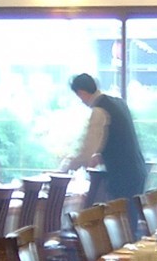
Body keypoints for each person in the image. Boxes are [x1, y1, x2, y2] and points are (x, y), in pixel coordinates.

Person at [62, 73, 147, 211]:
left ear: (81, 93)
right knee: (129, 219)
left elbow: (87, 151)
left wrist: (66, 168)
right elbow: (121, 140)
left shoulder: (99, 111)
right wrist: (101, 156)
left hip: (123, 176)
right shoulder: (119, 102)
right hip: (137, 171)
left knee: (122, 221)